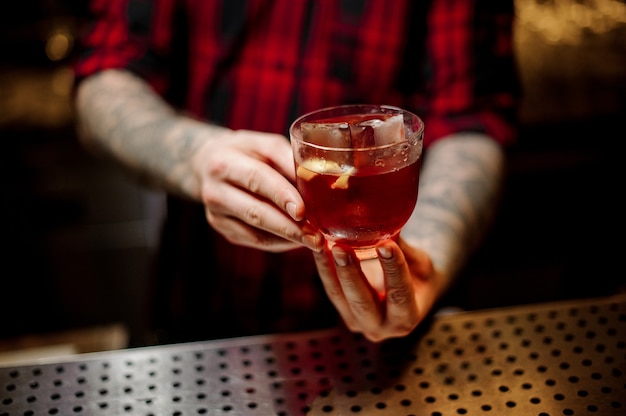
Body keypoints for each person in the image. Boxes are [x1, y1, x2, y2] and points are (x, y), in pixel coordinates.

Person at [73, 0, 519, 345]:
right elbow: (105, 73)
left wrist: (426, 257)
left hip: (397, 334)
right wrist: (197, 155)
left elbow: (471, 117)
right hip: (207, 307)